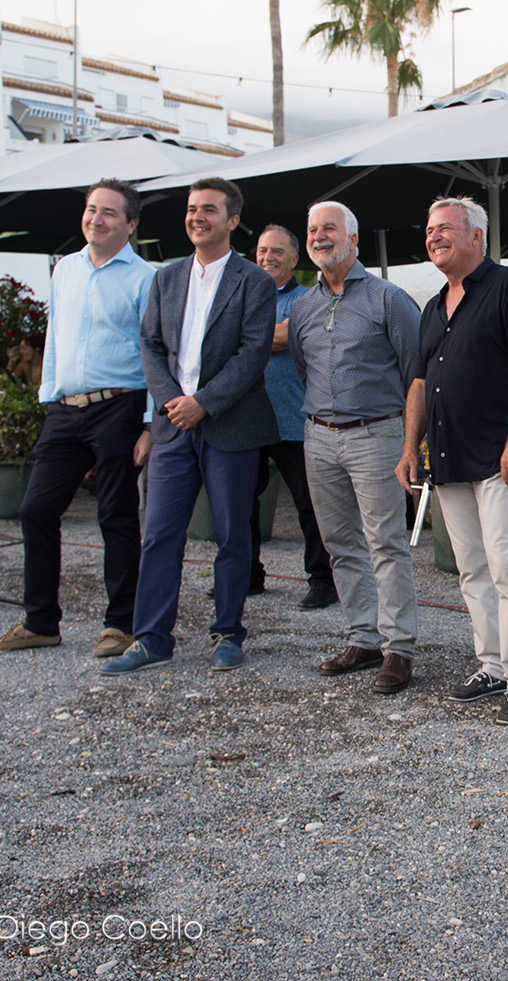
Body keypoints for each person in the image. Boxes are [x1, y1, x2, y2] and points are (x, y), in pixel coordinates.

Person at [101, 177, 278, 675]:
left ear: (232, 221)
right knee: (158, 535)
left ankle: (227, 633)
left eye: (208, 210)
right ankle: (152, 637)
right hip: (174, 428)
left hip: (230, 425)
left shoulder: (255, 282)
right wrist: (173, 402)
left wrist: (203, 403)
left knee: (232, 536)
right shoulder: (166, 278)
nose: (197, 217)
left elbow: (253, 353)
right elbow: (150, 347)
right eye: (192, 209)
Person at [0, 179, 153, 658]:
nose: (96, 219)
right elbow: (55, 335)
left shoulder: (144, 279)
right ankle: (41, 621)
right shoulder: (65, 270)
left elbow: (154, 352)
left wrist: (148, 424)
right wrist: (48, 395)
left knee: (115, 517)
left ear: (131, 224)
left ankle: (120, 624)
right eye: (91, 210)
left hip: (119, 405)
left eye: (109, 213)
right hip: (65, 408)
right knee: (36, 510)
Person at [397, 196, 508, 726]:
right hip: (447, 458)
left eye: (446, 228)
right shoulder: (433, 304)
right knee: (471, 571)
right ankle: (491, 665)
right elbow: (419, 381)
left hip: (498, 456)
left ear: (477, 236)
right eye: (429, 229)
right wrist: (408, 448)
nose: (434, 236)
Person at [289, 201, 423, 695]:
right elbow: (306, 371)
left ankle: (399, 648)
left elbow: (416, 375)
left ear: (354, 239)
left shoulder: (389, 299)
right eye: (313, 230)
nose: (319, 237)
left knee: (386, 543)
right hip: (319, 436)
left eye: (329, 229)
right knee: (340, 543)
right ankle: (363, 639)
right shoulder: (303, 306)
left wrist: (411, 443)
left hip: (377, 434)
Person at [246, 223, 335, 610]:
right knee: (240, 503)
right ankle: (246, 577)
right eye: (262, 251)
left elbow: (287, 337)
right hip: (246, 419)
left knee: (309, 505)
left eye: (276, 252)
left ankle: (322, 581)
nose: (268, 258)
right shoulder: (243, 297)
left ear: (295, 259)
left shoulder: (306, 299)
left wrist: (244, 338)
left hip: (293, 419)